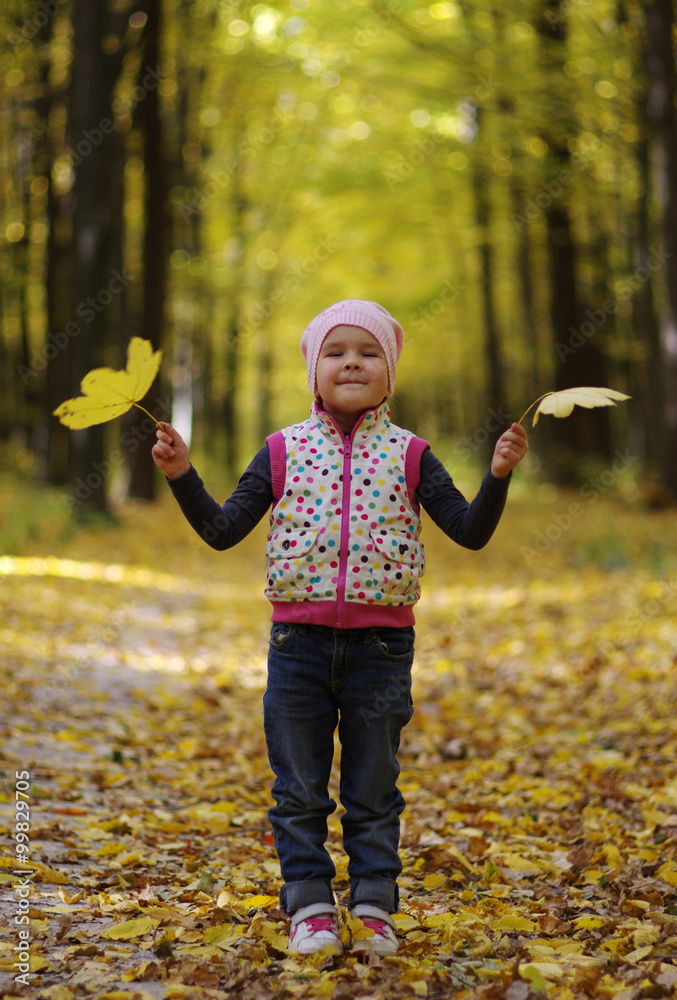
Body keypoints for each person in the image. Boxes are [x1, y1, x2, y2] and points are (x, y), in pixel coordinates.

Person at [152, 299, 528, 957]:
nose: (351, 360)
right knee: (297, 789)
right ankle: (310, 909)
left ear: (388, 374)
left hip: (381, 651)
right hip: (295, 648)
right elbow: (222, 531)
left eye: (367, 351)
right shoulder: (281, 451)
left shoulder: (412, 455)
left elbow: (468, 533)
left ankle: (375, 905)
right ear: (313, 371)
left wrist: (495, 478)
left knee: (373, 787)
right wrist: (183, 477)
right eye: (335, 350)